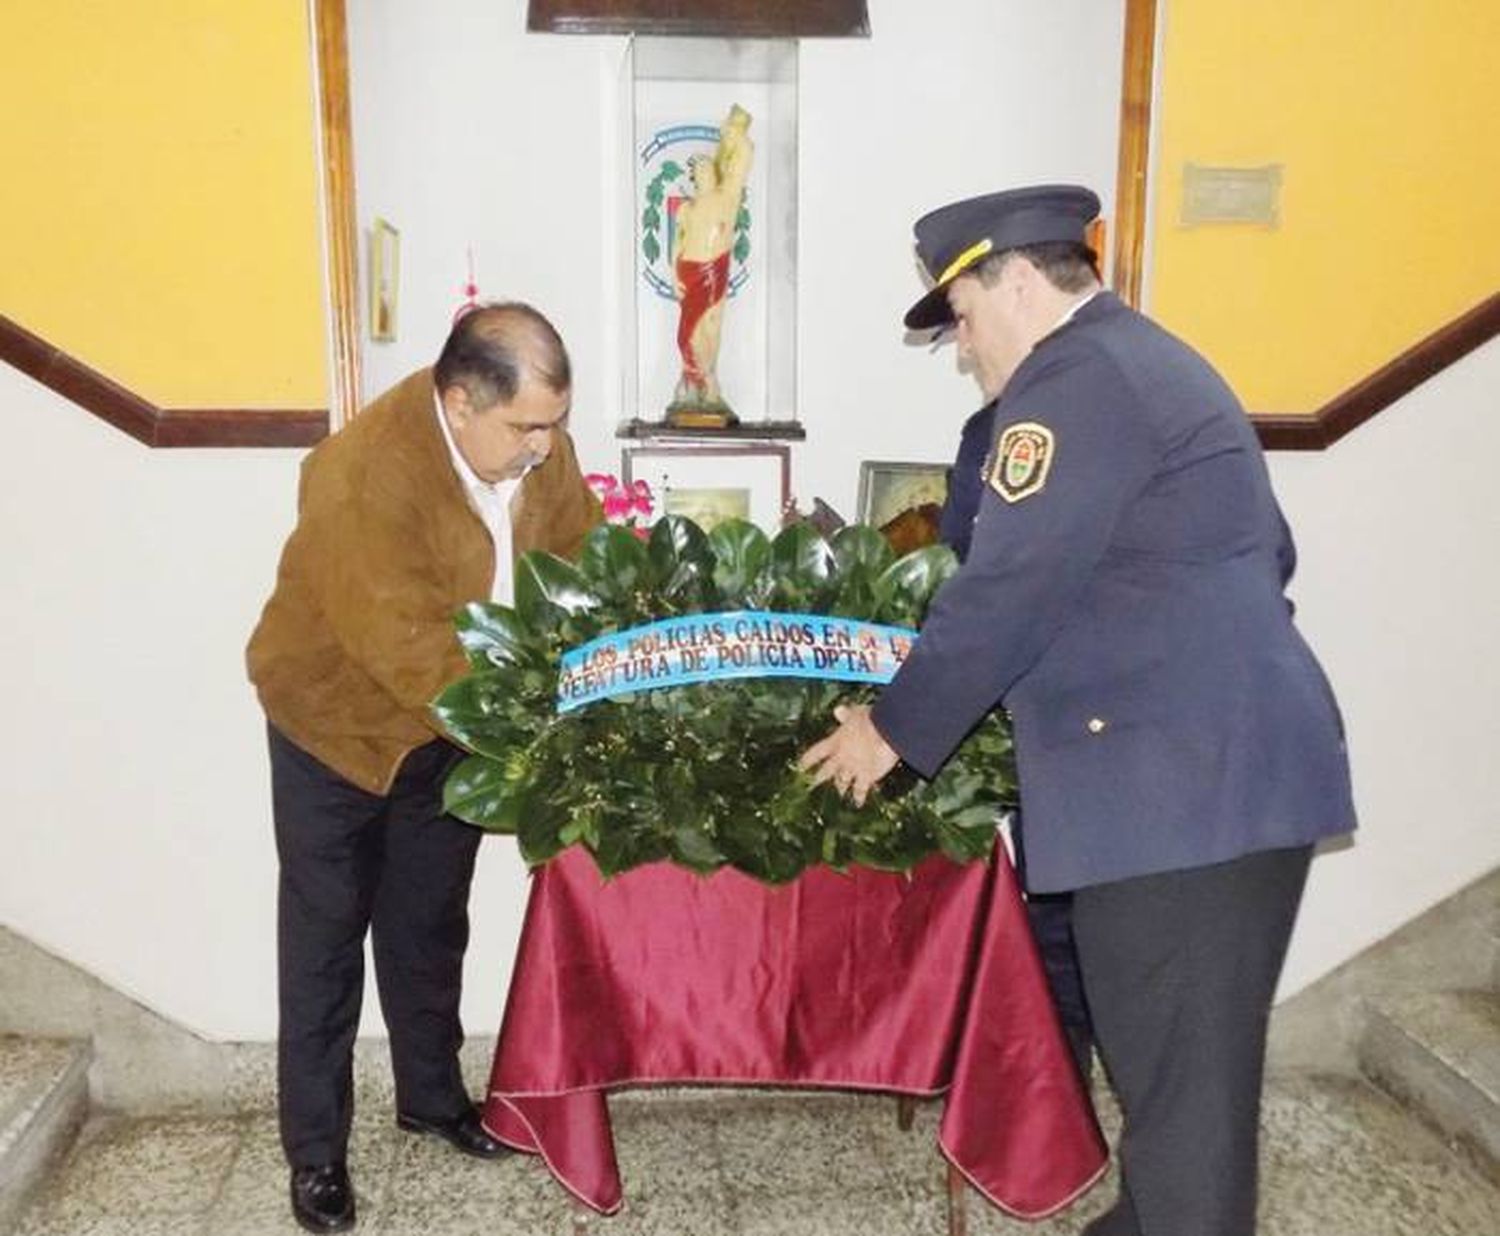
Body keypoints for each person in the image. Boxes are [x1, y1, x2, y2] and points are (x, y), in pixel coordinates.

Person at [801, 186, 1356, 1236]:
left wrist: (889, 730)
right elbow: (1263, 555)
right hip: (1202, 786)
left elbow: (1010, 583)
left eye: (961, 316)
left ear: (1017, 281)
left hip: (1179, 802)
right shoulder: (1139, 363)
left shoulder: (1071, 383)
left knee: (1185, 1121)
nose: (963, 348)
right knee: (1178, 1098)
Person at [247, 303, 600, 1233]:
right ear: (459, 401)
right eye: (528, 426)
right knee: (326, 941)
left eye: (555, 424)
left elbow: (582, 562)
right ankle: (316, 1153)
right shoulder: (365, 473)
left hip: (451, 729)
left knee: (428, 923)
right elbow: (406, 649)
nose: (546, 447)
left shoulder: (535, 450)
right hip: (338, 728)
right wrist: (532, 740)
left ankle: (433, 1099)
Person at [937, 398, 1096, 1083]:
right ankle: (1063, 1113)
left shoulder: (1080, 411)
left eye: (968, 318)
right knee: (1054, 920)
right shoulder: (987, 431)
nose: (964, 343)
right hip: (1042, 725)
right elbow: (961, 566)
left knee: (1115, 948)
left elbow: (990, 592)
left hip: (1118, 730)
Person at [669, 103, 753, 420]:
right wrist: (673, 273)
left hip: (714, 272)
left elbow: (741, 161)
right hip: (689, 271)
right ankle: (692, 382)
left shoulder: (726, 199)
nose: (703, 173)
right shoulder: (688, 209)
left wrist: (736, 133)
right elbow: (676, 245)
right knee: (688, 332)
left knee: (711, 329)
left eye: (707, 168)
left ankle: (708, 382)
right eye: (698, 171)